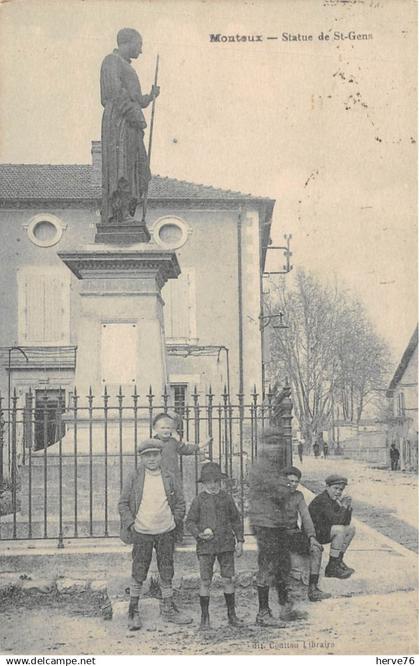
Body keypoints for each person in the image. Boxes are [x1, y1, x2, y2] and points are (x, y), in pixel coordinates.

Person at [118, 438, 192, 630]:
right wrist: (132, 524)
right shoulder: (134, 477)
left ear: (161, 456)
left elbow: (181, 503)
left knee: (166, 569)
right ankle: (133, 610)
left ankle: (168, 609)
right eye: (147, 456)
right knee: (139, 570)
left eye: (155, 455)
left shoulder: (169, 476)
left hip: (165, 531)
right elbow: (123, 504)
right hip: (141, 532)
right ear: (142, 458)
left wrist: (174, 521)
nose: (151, 459)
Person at [100, 28, 160, 225]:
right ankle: (120, 213)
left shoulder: (126, 66)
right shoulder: (111, 61)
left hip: (131, 122)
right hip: (120, 122)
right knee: (122, 167)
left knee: (137, 166)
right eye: (139, 44)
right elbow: (115, 93)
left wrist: (149, 97)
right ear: (128, 42)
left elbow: (135, 99)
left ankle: (128, 212)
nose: (141, 50)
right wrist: (135, 115)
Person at [248, 427, 306, 627]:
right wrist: (283, 487)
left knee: (283, 565)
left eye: (277, 444)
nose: (274, 448)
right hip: (265, 523)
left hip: (276, 523)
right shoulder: (261, 467)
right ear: (262, 445)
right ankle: (263, 613)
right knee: (267, 566)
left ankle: (284, 608)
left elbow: (283, 491)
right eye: (270, 443)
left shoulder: (274, 466)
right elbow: (280, 492)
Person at [186, 462, 245, 630]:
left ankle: (231, 616)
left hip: (226, 545)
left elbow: (236, 520)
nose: (212, 485)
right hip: (206, 547)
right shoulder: (199, 500)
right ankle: (205, 619)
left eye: (216, 481)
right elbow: (189, 522)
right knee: (205, 581)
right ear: (203, 483)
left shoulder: (227, 498)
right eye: (208, 482)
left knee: (228, 579)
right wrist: (199, 533)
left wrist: (240, 541)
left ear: (220, 481)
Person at [282, 466, 331, 602]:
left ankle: (313, 589)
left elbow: (306, 516)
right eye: (290, 481)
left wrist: (312, 537)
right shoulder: (274, 495)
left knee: (316, 549)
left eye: (296, 481)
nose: (293, 484)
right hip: (277, 535)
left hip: (293, 533)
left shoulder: (298, 496)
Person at [308, 474, 356, 579]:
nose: (338, 492)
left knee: (351, 529)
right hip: (313, 534)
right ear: (327, 487)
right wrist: (343, 507)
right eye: (335, 488)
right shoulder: (323, 500)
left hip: (323, 531)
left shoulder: (333, 500)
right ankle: (332, 567)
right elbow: (336, 521)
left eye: (341, 489)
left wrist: (347, 508)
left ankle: (338, 561)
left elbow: (345, 522)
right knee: (339, 530)